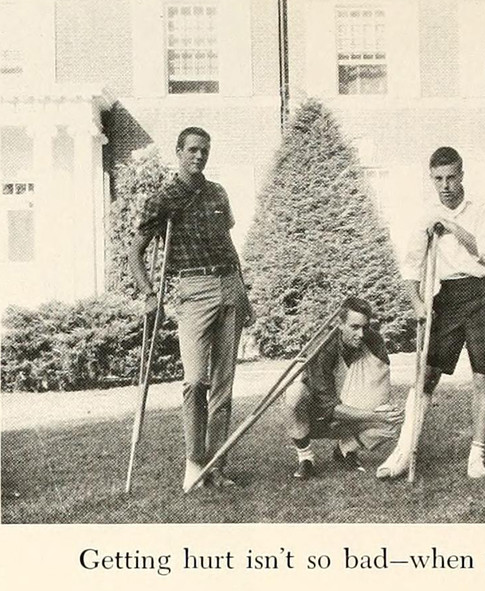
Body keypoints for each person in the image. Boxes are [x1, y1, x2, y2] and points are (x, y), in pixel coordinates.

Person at [129, 126, 254, 492]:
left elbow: (229, 245)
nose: (199, 156)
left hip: (229, 284)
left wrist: (244, 294)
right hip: (193, 289)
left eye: (204, 150)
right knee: (196, 380)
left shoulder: (218, 192)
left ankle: (216, 467)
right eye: (193, 150)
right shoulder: (163, 199)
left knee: (223, 385)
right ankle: (194, 462)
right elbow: (135, 252)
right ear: (179, 152)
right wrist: (148, 293)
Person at [378, 146, 485, 480]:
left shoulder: (481, 206)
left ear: (462, 175)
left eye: (451, 177)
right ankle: (402, 452)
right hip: (447, 296)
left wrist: (450, 226)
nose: (445, 185)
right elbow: (412, 264)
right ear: (431, 178)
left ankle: (477, 455)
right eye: (438, 179)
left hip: (484, 292)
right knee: (426, 375)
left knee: (482, 376)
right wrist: (417, 302)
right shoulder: (426, 214)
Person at [284, 296, 404, 479]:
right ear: (340, 324)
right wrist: (375, 416)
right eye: (354, 327)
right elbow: (328, 407)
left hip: (348, 408)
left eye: (365, 327)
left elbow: (380, 391)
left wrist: (384, 414)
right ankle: (306, 459)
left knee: (392, 419)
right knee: (295, 393)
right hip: (317, 416)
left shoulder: (373, 341)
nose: (361, 334)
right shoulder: (323, 347)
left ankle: (346, 449)